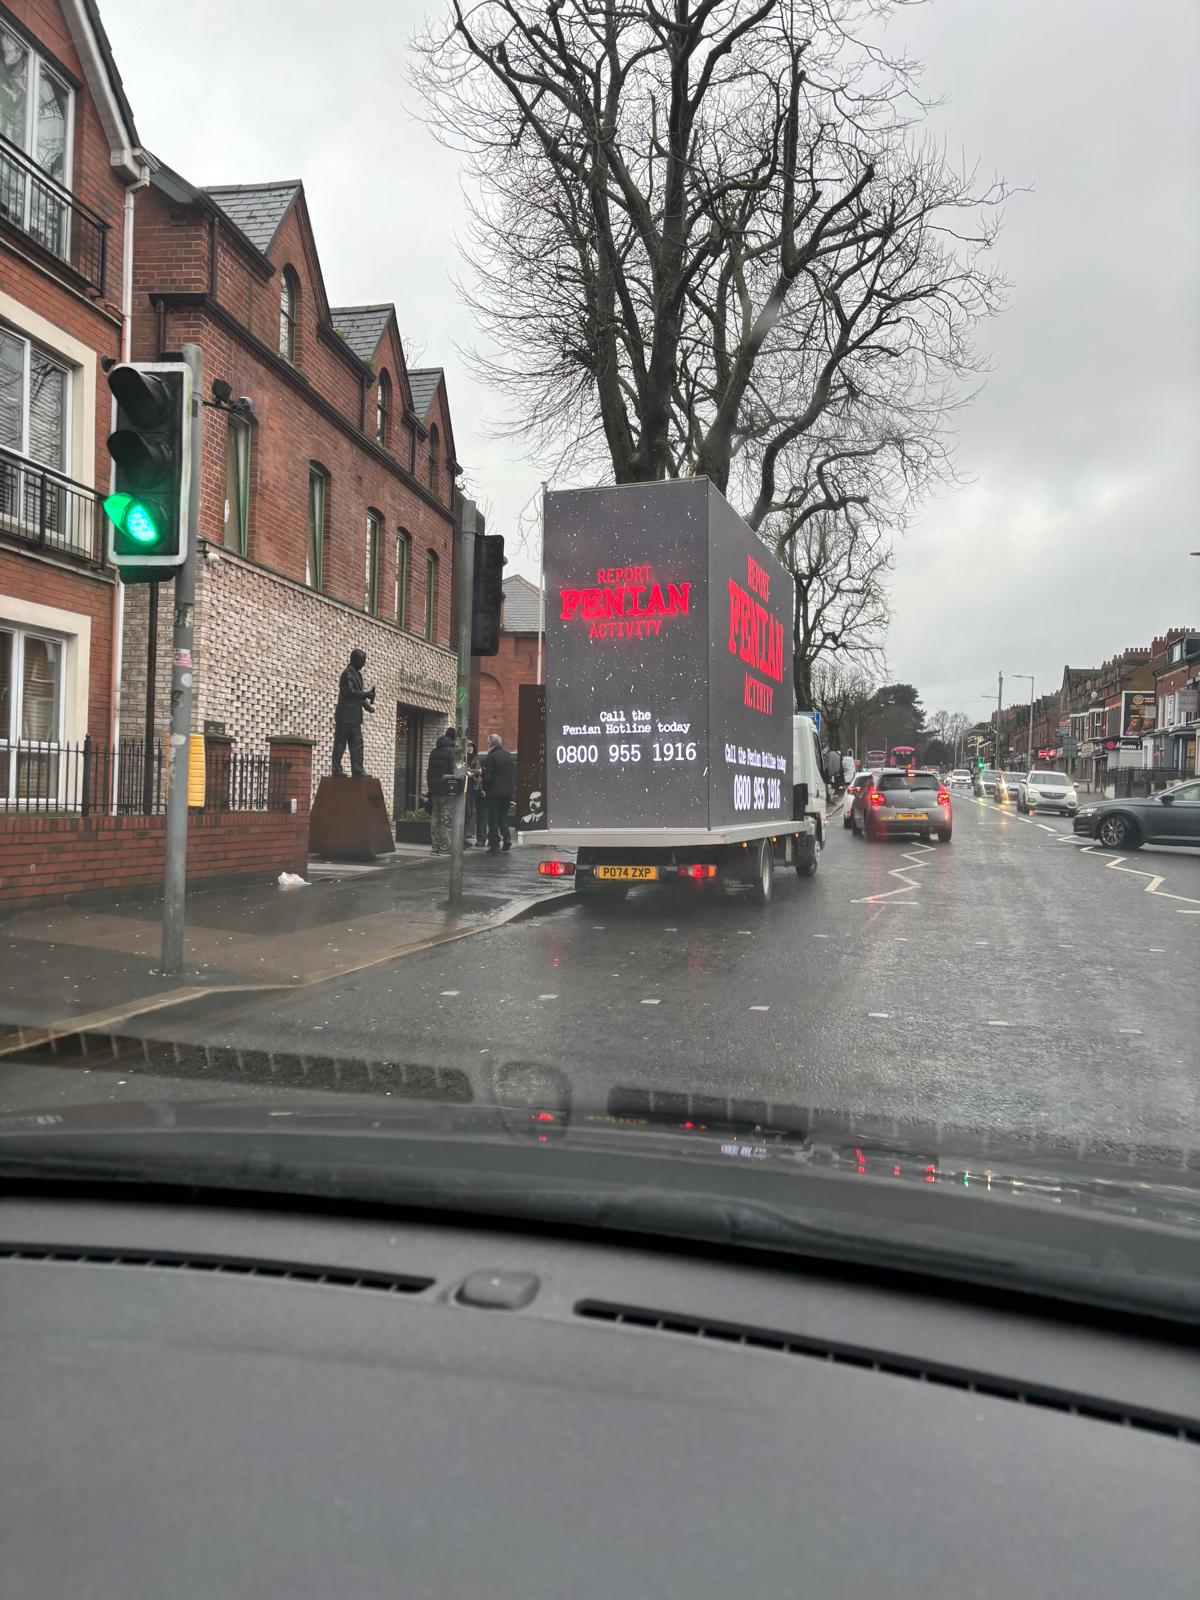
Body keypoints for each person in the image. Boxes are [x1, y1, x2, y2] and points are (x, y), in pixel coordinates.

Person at [332, 648, 376, 777]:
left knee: (357, 744)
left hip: (355, 718)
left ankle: (357, 770)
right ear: (354, 659)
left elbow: (358, 695)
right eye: (362, 661)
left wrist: (367, 706)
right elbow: (349, 692)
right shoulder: (347, 674)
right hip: (345, 716)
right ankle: (336, 769)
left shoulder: (358, 675)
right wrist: (366, 694)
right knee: (341, 743)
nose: (363, 664)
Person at [481, 731, 516, 852]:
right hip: (507, 792)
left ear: (491, 743)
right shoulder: (508, 755)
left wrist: (484, 788)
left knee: (493, 817)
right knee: (503, 816)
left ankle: (495, 843)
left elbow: (488, 777)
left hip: (494, 792)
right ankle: (507, 838)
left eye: (488, 743)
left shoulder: (490, 757)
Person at [426, 726, 457, 855]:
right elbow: (455, 771)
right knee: (446, 818)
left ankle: (435, 846)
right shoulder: (453, 752)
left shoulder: (434, 751)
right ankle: (446, 847)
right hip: (447, 790)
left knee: (435, 817)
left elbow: (429, 771)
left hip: (434, 790)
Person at [464, 738, 484, 847]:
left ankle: (466, 835)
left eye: (471, 746)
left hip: (474, 788)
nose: (470, 748)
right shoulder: (463, 758)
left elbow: (480, 771)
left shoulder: (475, 758)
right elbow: (464, 770)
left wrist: (473, 772)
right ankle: (463, 837)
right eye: (468, 746)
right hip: (465, 788)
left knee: (470, 812)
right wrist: (475, 771)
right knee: (466, 811)